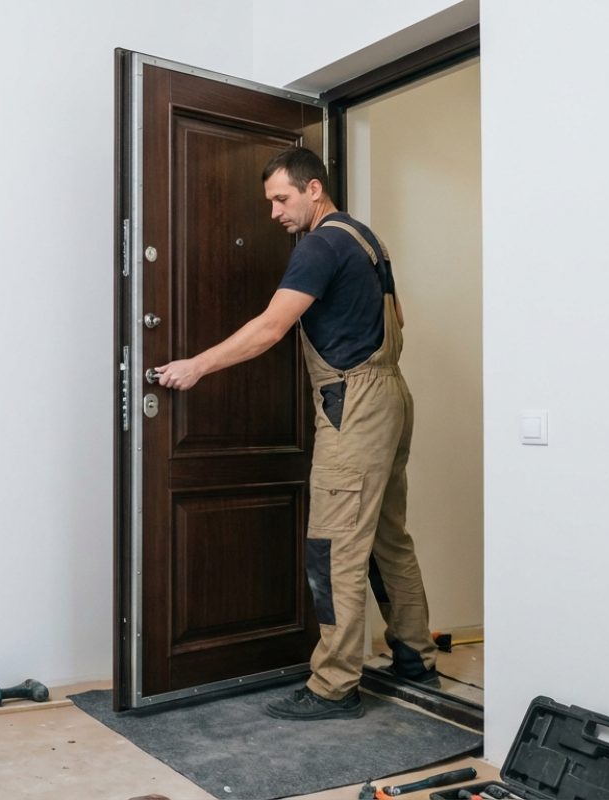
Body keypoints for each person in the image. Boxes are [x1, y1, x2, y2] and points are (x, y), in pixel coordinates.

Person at [153, 146, 438, 721]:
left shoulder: (319, 244)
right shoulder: (365, 240)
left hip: (354, 401)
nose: (275, 212)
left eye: (281, 198)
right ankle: (416, 657)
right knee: (388, 537)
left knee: (332, 545)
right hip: (391, 394)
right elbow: (398, 319)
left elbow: (270, 328)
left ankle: (333, 685)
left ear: (314, 190)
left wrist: (196, 366)